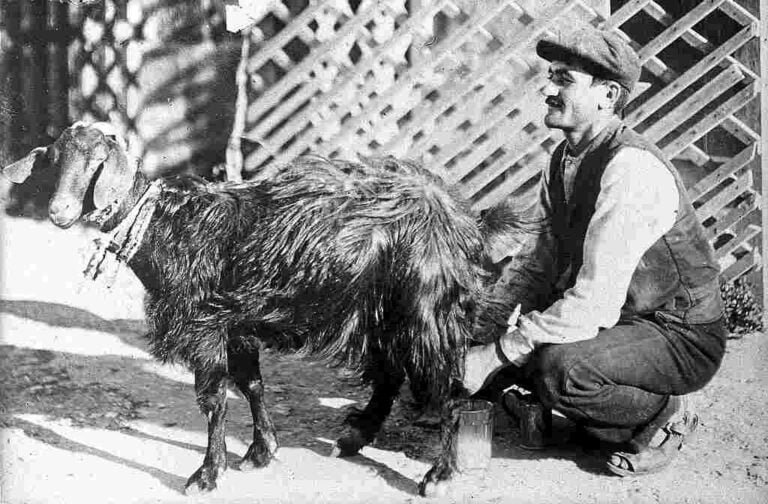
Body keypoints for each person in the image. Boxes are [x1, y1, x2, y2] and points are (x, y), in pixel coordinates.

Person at [463, 25, 728, 476]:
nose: (546, 89)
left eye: (563, 79)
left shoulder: (631, 170)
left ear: (607, 95)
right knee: (505, 353)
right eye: (549, 76)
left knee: (559, 369)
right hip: (622, 318)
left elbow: (594, 301)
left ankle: (660, 419)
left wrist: (495, 355)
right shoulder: (563, 159)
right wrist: (481, 335)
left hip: (677, 331)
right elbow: (538, 265)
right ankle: (561, 410)